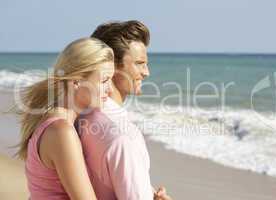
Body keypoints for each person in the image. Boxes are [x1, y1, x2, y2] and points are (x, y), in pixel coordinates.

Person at [76, 20, 172, 200]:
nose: (146, 72)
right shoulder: (124, 138)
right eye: (139, 63)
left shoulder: (82, 117)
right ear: (111, 66)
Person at [16, 38, 115, 199]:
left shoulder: (53, 120)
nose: (110, 90)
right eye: (104, 80)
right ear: (76, 81)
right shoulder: (62, 131)